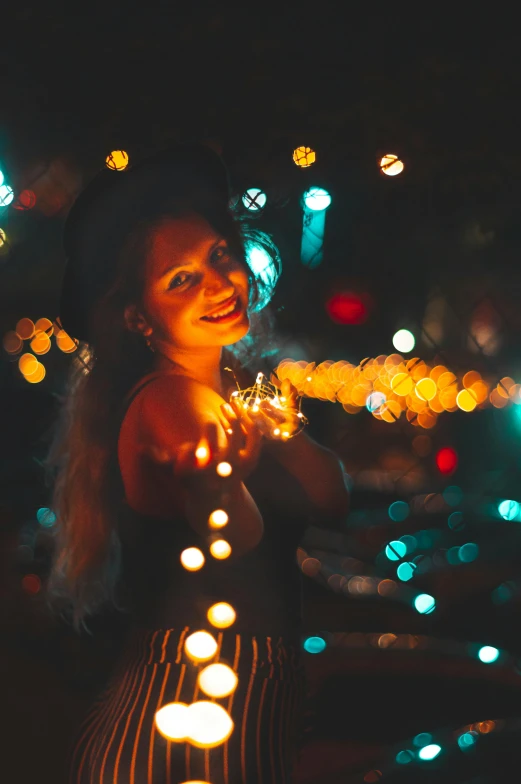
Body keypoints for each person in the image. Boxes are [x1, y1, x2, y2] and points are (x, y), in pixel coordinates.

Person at [47, 143, 350, 783]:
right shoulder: (174, 400)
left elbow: (332, 498)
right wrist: (216, 485)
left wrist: (284, 435)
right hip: (183, 724)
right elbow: (240, 534)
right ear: (137, 317)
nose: (219, 282)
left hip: (224, 715)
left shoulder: (231, 387)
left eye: (219, 255)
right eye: (180, 278)